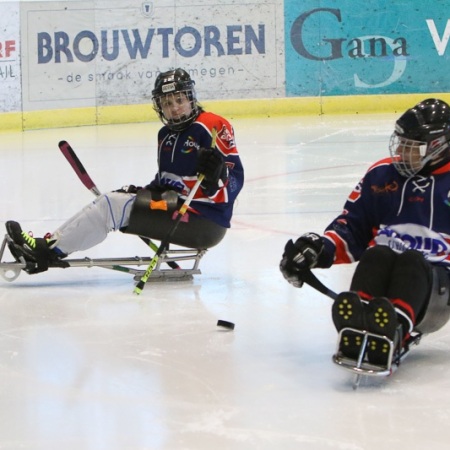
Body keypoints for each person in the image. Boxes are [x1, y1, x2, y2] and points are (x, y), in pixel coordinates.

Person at [6, 68, 244, 274]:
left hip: (204, 222)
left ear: (191, 98)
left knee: (111, 205)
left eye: (179, 100)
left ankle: (44, 252)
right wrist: (144, 192)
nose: (175, 109)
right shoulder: (166, 136)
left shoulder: (212, 125)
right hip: (177, 209)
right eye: (167, 103)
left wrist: (217, 177)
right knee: (113, 201)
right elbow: (167, 183)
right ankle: (48, 245)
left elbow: (235, 180)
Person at [280, 98, 450, 366]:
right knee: (376, 255)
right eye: (401, 144)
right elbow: (353, 228)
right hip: (388, 266)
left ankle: (393, 330)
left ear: (438, 146)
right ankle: (357, 325)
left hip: (438, 287)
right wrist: (318, 249)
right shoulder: (382, 174)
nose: (402, 153)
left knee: (412, 261)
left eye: (412, 147)